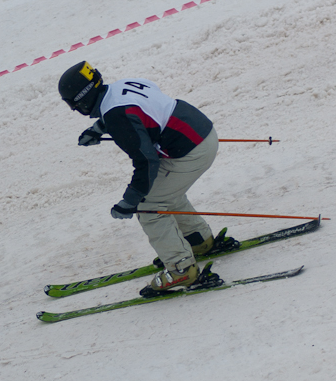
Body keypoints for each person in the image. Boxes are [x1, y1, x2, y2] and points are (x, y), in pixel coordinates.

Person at [58, 61, 236, 297]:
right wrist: (100, 127)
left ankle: (182, 268)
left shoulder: (116, 116)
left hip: (190, 151)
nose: (74, 110)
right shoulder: (120, 86)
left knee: (149, 205)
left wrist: (131, 200)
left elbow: (147, 161)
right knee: (165, 191)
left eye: (73, 104)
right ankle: (198, 240)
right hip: (201, 133)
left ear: (82, 99)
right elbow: (139, 108)